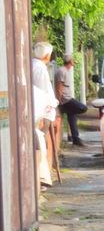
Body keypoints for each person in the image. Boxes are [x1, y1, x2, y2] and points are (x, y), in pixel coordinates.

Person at [31, 42, 58, 188]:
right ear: (47, 55)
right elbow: (42, 93)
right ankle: (42, 178)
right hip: (39, 112)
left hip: (38, 111)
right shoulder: (40, 68)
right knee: (40, 144)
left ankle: (43, 177)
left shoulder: (33, 65)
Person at [54, 55, 87, 147]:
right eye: (72, 60)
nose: (73, 62)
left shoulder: (65, 71)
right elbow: (59, 87)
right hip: (65, 99)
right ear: (69, 61)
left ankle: (75, 138)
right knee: (83, 108)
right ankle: (65, 109)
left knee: (72, 116)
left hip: (66, 98)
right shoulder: (62, 71)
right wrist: (59, 101)